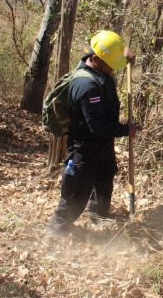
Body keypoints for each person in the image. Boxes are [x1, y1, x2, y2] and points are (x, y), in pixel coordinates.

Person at [49, 30, 138, 234]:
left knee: (105, 178)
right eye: (111, 66)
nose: (113, 71)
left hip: (102, 144)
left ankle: (98, 217)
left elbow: (114, 58)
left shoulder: (101, 67)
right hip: (84, 149)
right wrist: (126, 130)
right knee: (75, 195)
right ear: (96, 59)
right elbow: (97, 126)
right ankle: (54, 235)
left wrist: (124, 55)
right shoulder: (86, 86)